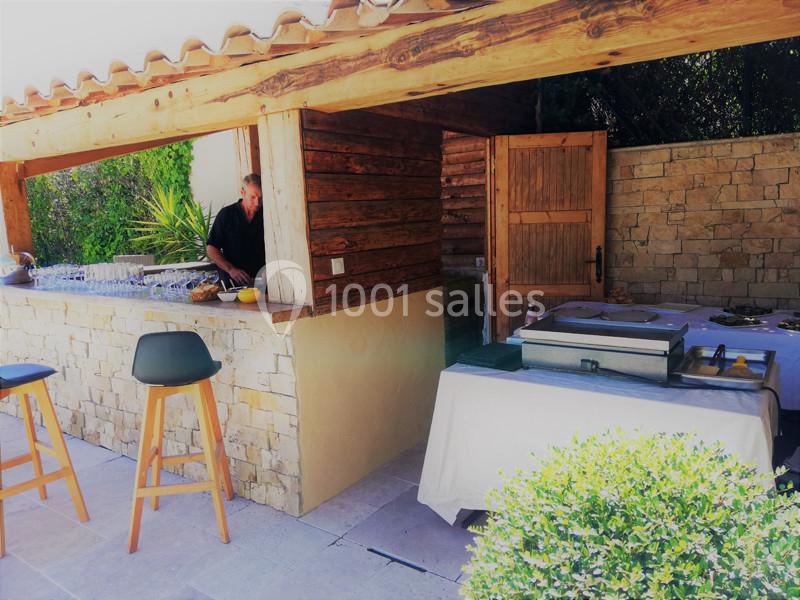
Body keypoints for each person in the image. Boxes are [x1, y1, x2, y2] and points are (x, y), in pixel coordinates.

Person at [206, 173, 265, 287]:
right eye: (252, 197)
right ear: (242, 193)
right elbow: (211, 248)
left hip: (263, 283)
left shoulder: (268, 215)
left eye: (260, 198)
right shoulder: (226, 214)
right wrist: (231, 269)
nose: (257, 203)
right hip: (232, 283)